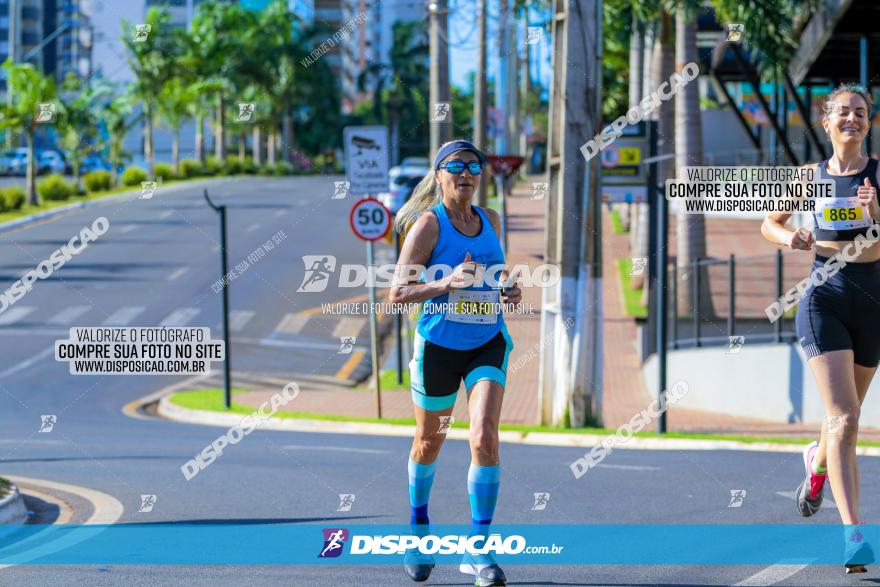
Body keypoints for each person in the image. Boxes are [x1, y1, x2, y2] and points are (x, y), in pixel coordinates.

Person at [389, 139, 520, 586]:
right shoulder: (428, 225)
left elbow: (499, 274)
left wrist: (508, 289)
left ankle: (478, 550)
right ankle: (417, 530)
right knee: (429, 441)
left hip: (488, 340)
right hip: (439, 346)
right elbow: (397, 293)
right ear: (440, 175)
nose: (466, 173)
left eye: (473, 166)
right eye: (456, 166)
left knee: (483, 435)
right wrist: (446, 282)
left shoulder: (493, 220)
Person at [761, 83, 880, 573]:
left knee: (841, 423)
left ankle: (816, 464)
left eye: (861, 112)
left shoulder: (878, 175)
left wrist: (875, 211)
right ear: (827, 122)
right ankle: (855, 537)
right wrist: (792, 235)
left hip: (872, 300)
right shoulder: (808, 177)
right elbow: (769, 223)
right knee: (847, 419)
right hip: (823, 297)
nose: (852, 119)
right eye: (843, 113)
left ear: (869, 123)